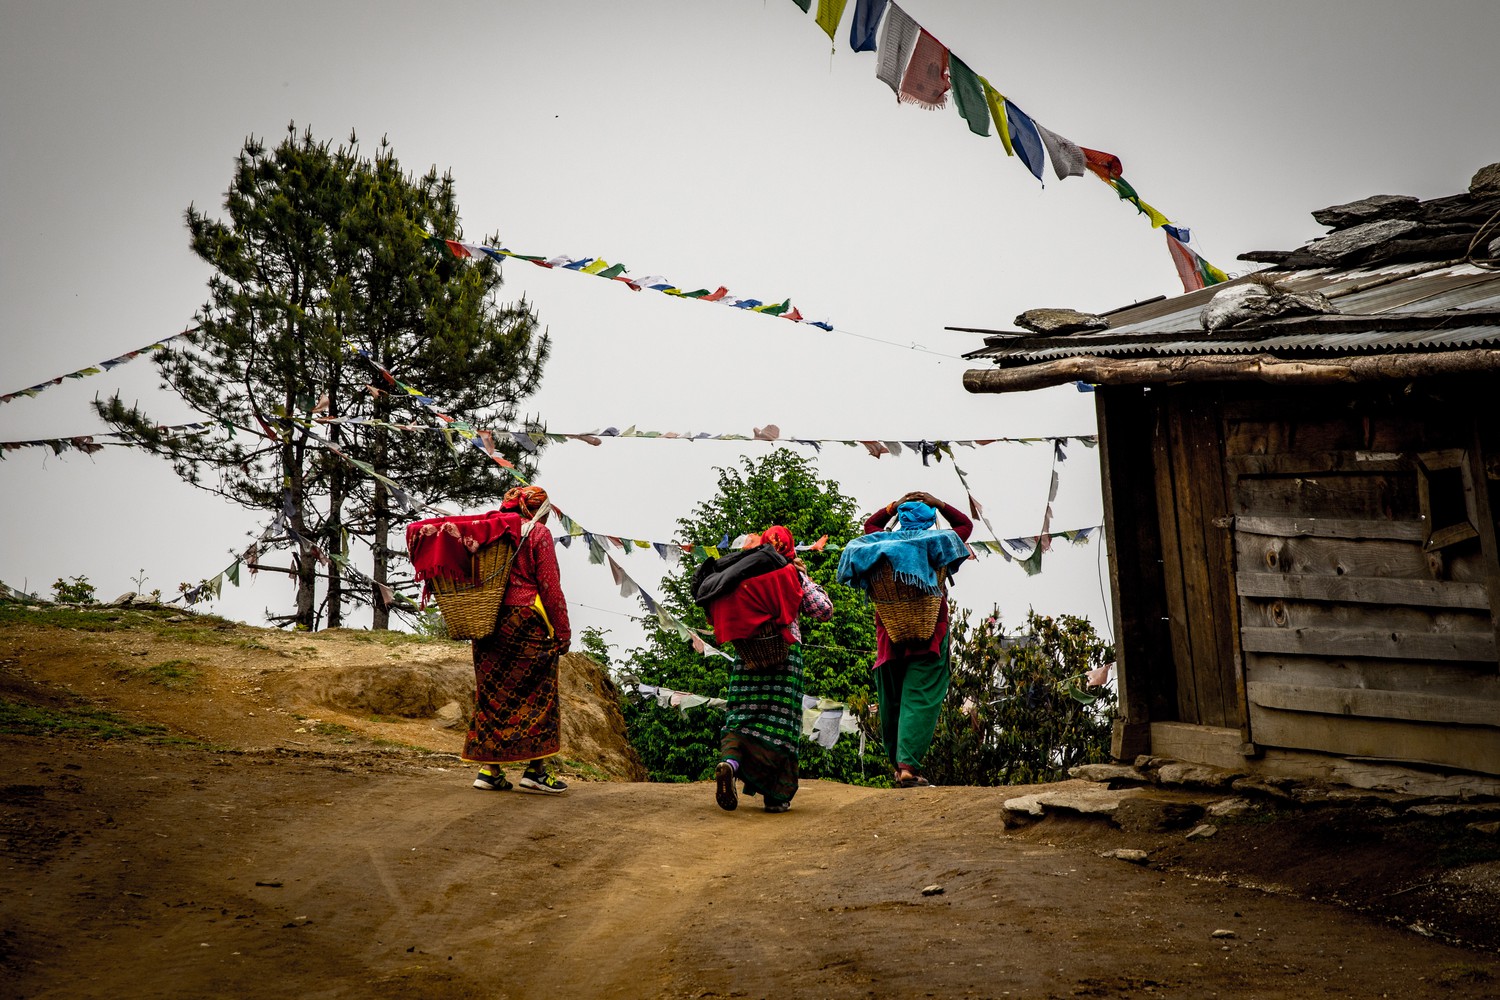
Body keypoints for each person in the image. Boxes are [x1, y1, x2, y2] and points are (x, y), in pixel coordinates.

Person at [713, 525, 833, 814]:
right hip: (785, 657)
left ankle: (730, 763)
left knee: (741, 718)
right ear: (790, 547)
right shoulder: (792, 572)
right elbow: (823, 610)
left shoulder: (743, 571)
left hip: (748, 657)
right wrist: (807, 579)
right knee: (781, 727)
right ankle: (776, 797)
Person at [465, 485, 573, 794]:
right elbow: (550, 588)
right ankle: (535, 771)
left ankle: (489, 770)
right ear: (537, 510)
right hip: (524, 622)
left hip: (486, 622)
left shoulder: (487, 533)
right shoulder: (537, 534)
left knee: (492, 694)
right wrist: (562, 632)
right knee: (537, 694)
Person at [861, 491, 971, 788]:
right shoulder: (938, 542)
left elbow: (870, 525)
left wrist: (892, 507)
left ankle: (898, 767)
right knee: (919, 699)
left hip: (890, 635)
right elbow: (966, 527)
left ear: (901, 520)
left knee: (893, 701)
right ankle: (907, 768)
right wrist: (939, 503)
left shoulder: (881, 544)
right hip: (929, 633)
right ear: (930, 520)